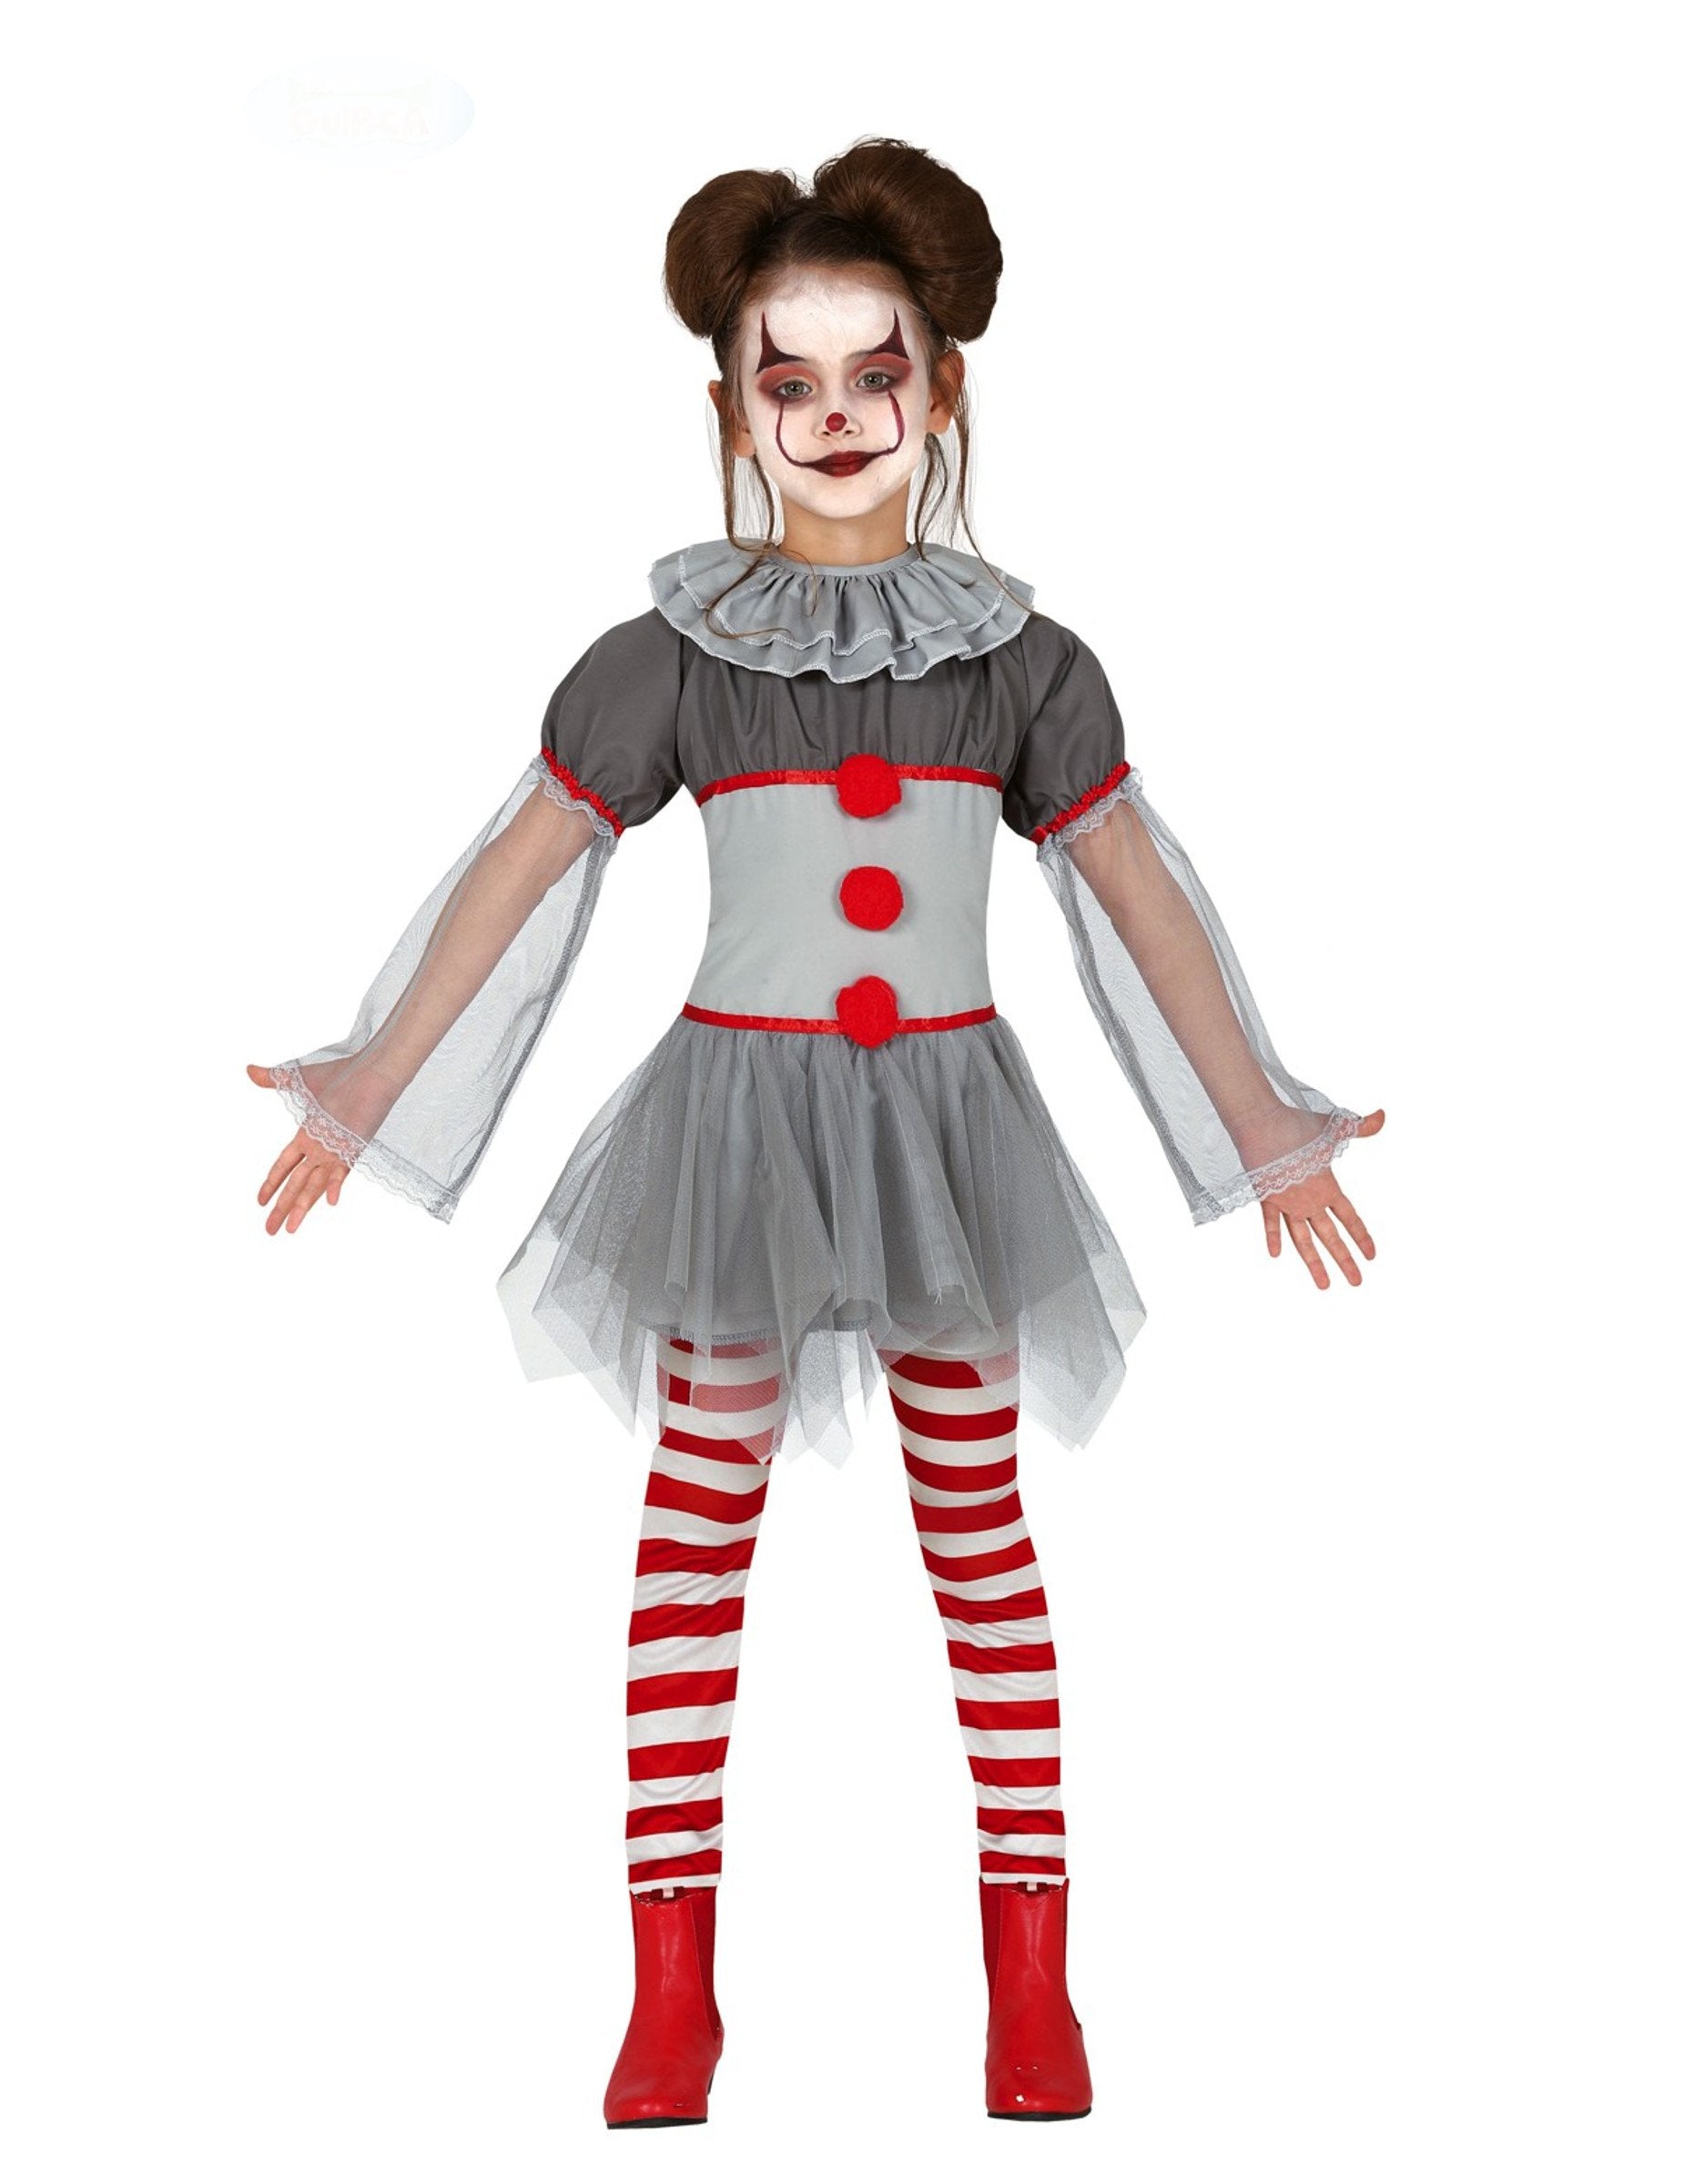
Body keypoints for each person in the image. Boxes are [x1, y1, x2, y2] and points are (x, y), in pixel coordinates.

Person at [249, 136, 1384, 2127]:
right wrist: (370, 1075)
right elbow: (516, 869)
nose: (839, 416)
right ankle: (668, 1990)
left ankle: (1031, 1985)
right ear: (730, 410)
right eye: (792, 380)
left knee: (980, 1539)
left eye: (878, 374)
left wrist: (1260, 1121)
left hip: (948, 1141)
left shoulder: (1022, 666)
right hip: (736, 1139)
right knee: (696, 1531)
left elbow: (1139, 899)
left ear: (942, 392)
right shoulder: (671, 662)